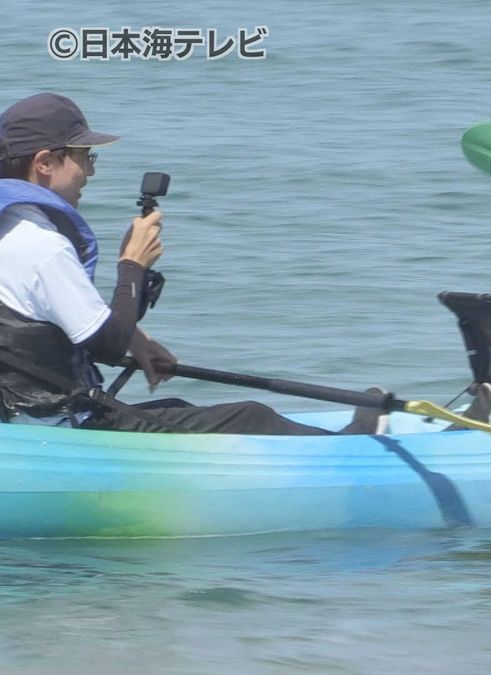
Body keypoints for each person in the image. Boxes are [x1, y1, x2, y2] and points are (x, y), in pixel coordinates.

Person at [0, 92, 383, 434]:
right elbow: (106, 346)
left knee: (178, 410)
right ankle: (356, 451)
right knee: (251, 416)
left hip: (24, 419)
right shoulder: (42, 246)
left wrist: (137, 339)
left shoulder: (11, 230)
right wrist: (132, 265)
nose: (92, 171)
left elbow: (39, 314)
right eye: (85, 157)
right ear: (46, 162)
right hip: (62, 428)